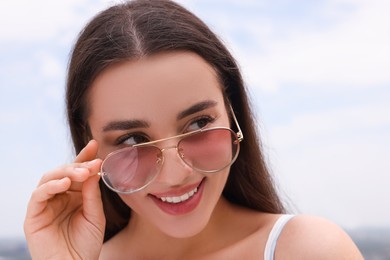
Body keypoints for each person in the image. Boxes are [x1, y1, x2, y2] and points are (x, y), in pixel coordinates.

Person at [24, 0, 363, 259]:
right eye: (132, 140)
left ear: (231, 114)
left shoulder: (307, 249)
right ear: (90, 145)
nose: (175, 174)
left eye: (199, 124)